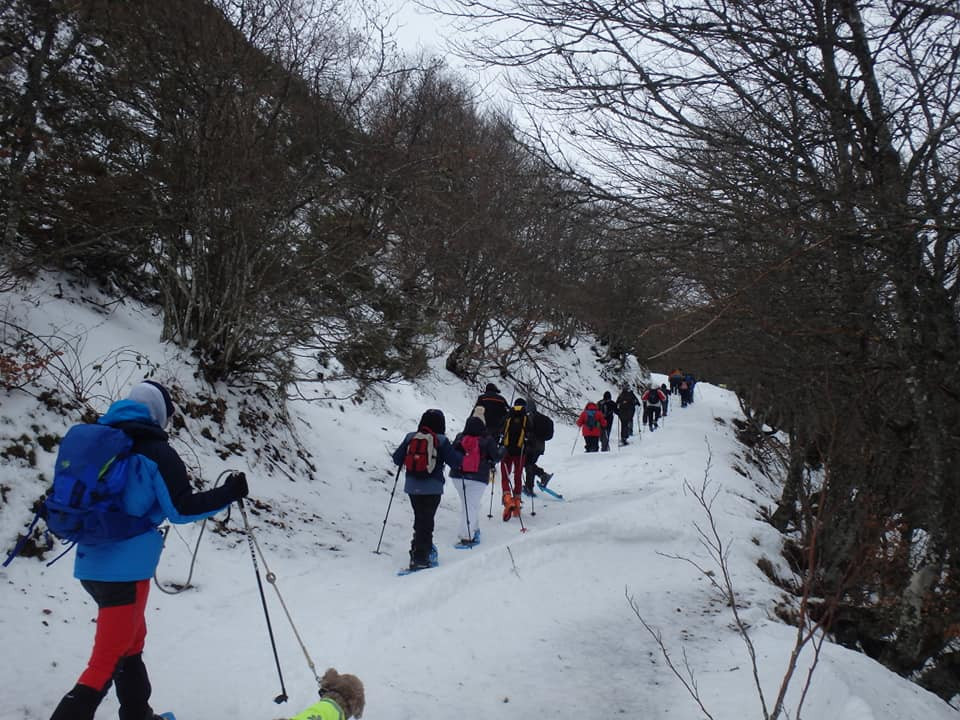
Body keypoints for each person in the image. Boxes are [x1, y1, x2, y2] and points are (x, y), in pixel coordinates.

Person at [49, 380, 249, 720]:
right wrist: (229, 493)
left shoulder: (102, 443)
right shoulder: (157, 452)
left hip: (90, 565)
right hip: (125, 575)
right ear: (160, 414)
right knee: (104, 665)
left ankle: (138, 715)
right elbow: (181, 509)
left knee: (131, 646)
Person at [392, 409, 463, 569]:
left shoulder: (411, 437)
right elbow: (456, 462)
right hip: (433, 487)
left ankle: (417, 549)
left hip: (411, 486)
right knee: (426, 521)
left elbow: (397, 459)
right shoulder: (442, 440)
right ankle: (420, 557)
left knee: (420, 519)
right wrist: (459, 451)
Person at [450, 416, 503, 545]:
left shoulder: (459, 437)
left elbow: (452, 453)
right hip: (478, 477)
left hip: (458, 476)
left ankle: (474, 528)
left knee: (468, 504)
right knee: (471, 505)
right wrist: (503, 449)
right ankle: (467, 537)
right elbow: (496, 457)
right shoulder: (487, 439)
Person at [499, 398, 529, 521]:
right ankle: (516, 503)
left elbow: (500, 430)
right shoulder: (527, 418)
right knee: (518, 475)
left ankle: (507, 499)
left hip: (506, 451)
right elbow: (530, 434)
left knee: (505, 476)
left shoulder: (507, 416)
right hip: (520, 452)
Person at [522, 400, 554, 496]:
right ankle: (543, 476)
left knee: (528, 465)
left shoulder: (529, 417)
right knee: (529, 463)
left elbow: (528, 431)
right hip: (540, 446)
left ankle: (529, 487)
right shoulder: (542, 418)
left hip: (531, 445)